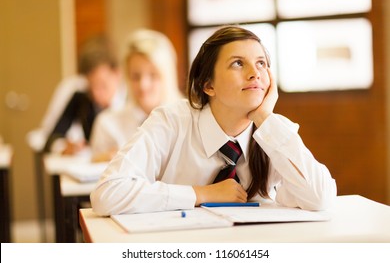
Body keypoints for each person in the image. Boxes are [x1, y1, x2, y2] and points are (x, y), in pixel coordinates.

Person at [90, 26, 337, 216]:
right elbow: (106, 194)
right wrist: (199, 194)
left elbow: (321, 199)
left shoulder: (274, 132)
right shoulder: (171, 121)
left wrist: (264, 117)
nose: (255, 73)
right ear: (208, 85)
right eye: (238, 63)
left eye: (261, 63)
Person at [89, 29, 183, 162]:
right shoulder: (107, 124)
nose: (143, 85)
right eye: (135, 76)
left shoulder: (189, 122)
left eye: (153, 75)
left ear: (168, 76)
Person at [43, 35, 127, 155]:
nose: (96, 95)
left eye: (103, 86)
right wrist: (64, 147)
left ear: (118, 74)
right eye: (91, 86)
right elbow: (52, 139)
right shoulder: (82, 98)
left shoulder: (133, 102)